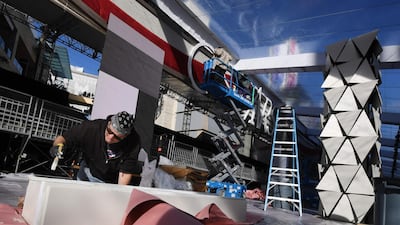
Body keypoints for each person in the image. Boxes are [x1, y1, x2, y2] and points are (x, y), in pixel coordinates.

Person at [50, 111, 141, 185]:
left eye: (117, 137)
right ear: (109, 123)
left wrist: (120, 194)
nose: (110, 137)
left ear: (125, 136)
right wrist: (58, 146)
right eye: (109, 131)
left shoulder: (133, 142)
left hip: (109, 181)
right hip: (88, 170)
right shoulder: (92, 128)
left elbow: (125, 174)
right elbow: (64, 138)